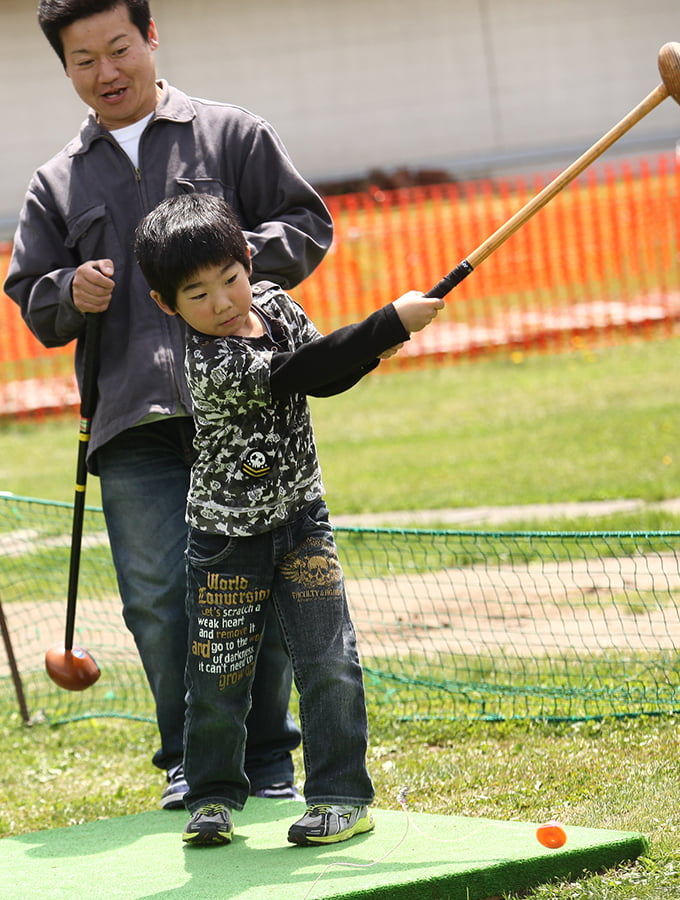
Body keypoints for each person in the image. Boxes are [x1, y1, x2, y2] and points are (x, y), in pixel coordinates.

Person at [5, 0, 332, 809]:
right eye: (85, 60)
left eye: (119, 48)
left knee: (255, 587)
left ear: (150, 38)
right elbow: (31, 300)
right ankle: (190, 759)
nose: (107, 72)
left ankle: (266, 763)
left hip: (243, 410)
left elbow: (310, 224)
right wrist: (66, 291)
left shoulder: (233, 136)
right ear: (67, 70)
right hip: (130, 422)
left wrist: (238, 264)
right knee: (156, 598)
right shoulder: (56, 183)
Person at [133, 192, 443, 847]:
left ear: (248, 262)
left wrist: (372, 345)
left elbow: (327, 371)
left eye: (230, 279)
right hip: (226, 543)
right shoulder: (208, 362)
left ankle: (340, 798)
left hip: (303, 522)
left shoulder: (275, 306)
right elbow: (303, 371)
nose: (221, 303)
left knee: (329, 661)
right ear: (167, 305)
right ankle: (213, 795)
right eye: (197, 294)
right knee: (219, 677)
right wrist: (391, 322)